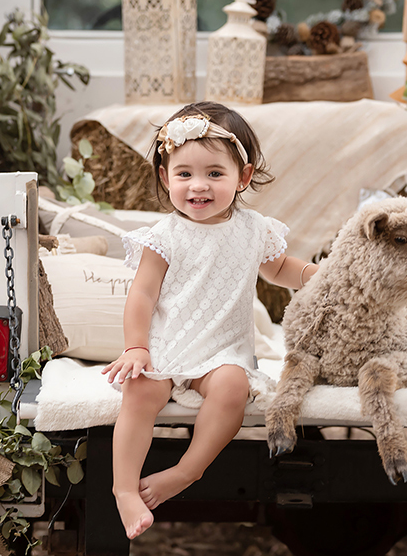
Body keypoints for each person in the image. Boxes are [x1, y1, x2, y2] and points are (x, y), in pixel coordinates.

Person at [101, 101, 318, 539]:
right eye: (184, 174)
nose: (198, 186)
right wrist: (137, 347)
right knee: (139, 391)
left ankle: (187, 470)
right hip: (167, 345)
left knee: (232, 388)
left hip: (222, 351)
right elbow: (142, 294)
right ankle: (123, 488)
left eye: (215, 173)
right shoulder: (164, 236)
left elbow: (279, 269)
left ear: (244, 176)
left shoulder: (254, 229)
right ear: (166, 178)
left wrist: (318, 276)